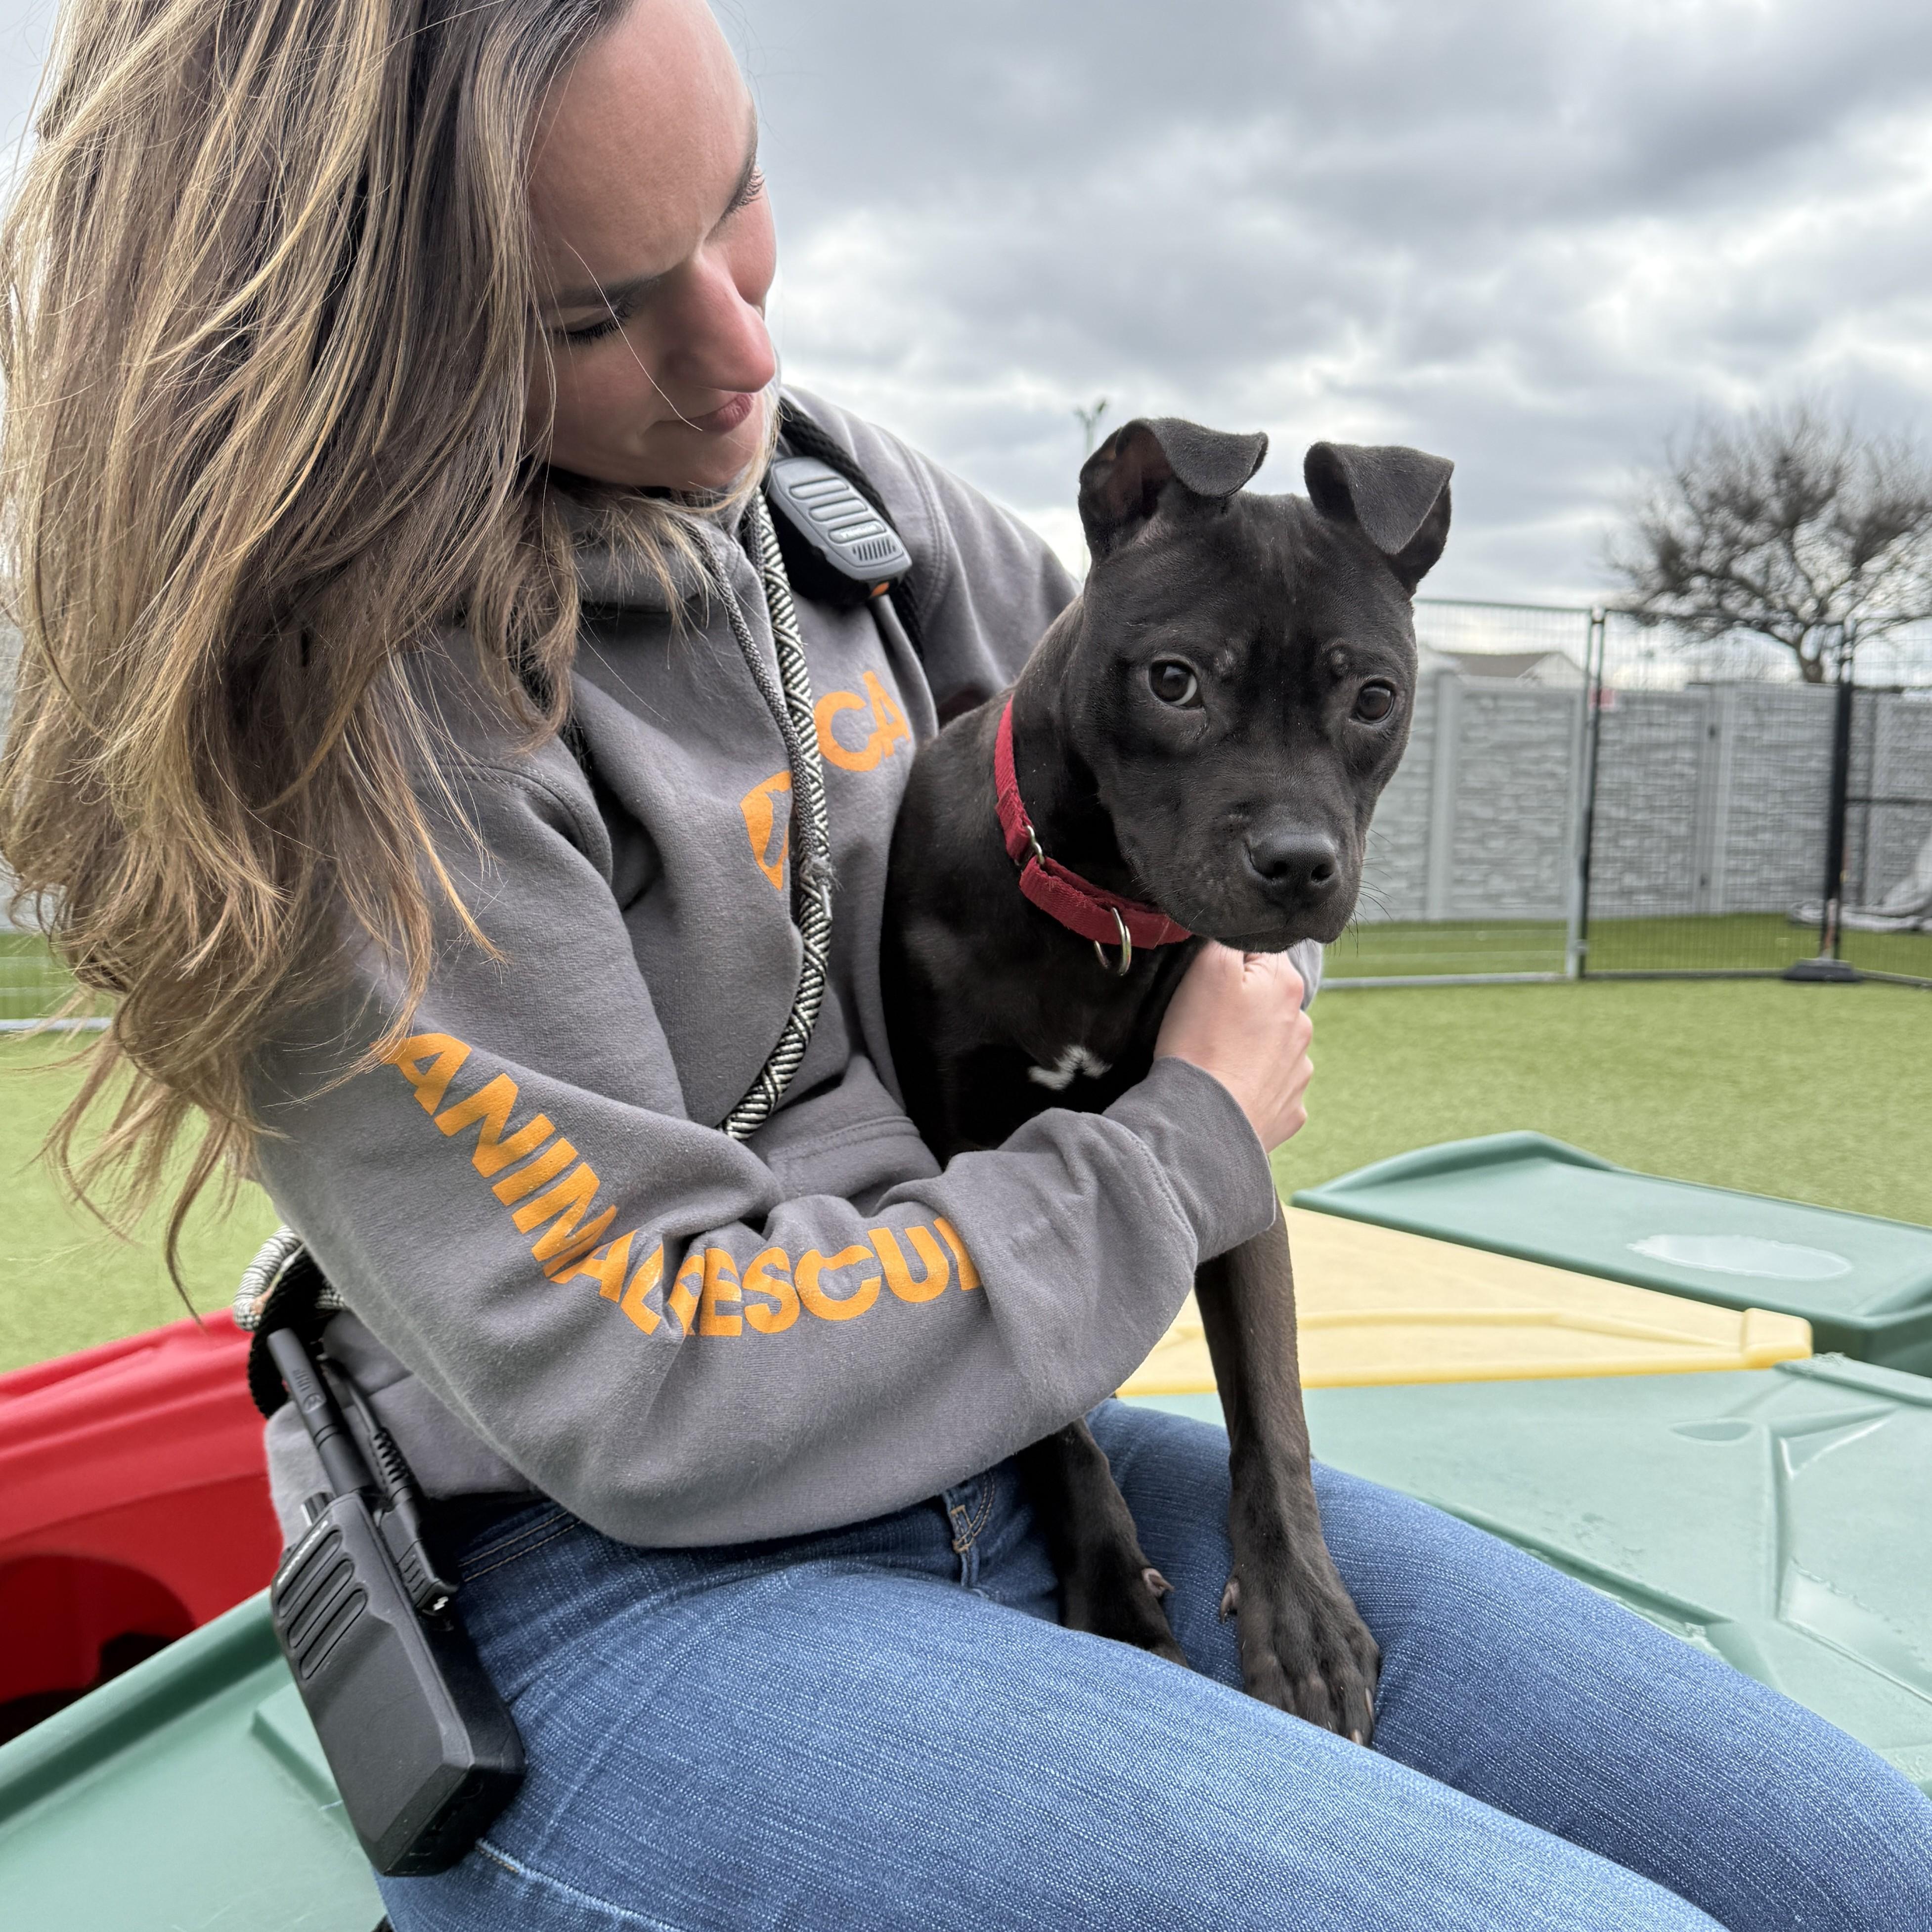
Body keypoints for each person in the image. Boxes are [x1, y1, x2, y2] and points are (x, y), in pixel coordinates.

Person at [3, 1, 1930, 1927]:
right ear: (353, 338)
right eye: (590, 313)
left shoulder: (840, 502)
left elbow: (1205, 860)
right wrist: (1173, 1146)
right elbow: (653, 1382)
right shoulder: (364, 714)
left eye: (734, 198)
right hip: (604, 1585)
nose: (741, 349)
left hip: (1014, 1457)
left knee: (1865, 1869)